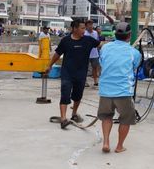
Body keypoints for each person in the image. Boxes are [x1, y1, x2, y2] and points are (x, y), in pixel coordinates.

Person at [45, 19, 102, 129]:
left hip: (81, 74)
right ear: (74, 29)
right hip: (67, 73)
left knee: (78, 95)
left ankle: (74, 113)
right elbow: (57, 54)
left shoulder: (88, 40)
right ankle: (63, 119)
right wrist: (50, 65)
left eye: (84, 28)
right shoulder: (66, 41)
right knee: (65, 94)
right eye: (82, 28)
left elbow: (101, 45)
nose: (84, 30)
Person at [97, 22, 142, 153]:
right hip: (123, 91)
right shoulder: (134, 52)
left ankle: (106, 142)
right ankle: (119, 146)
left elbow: (102, 64)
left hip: (105, 90)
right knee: (126, 119)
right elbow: (134, 67)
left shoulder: (105, 48)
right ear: (129, 36)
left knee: (106, 117)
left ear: (115, 34)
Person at [84, 20, 101, 87]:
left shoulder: (95, 33)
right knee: (85, 68)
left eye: (91, 25)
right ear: (86, 26)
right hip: (86, 54)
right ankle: (85, 81)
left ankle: (95, 81)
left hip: (95, 54)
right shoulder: (84, 33)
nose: (90, 26)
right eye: (89, 25)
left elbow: (97, 42)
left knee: (95, 67)